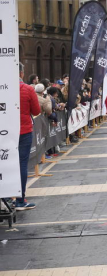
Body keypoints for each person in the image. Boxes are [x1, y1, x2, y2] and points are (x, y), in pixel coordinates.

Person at [16, 63, 41, 211]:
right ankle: (20, 200)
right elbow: (36, 110)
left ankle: (5, 199)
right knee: (22, 164)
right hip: (24, 131)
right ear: (22, 73)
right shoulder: (27, 89)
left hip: (5, 132)